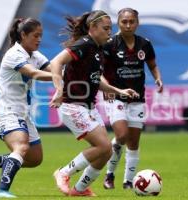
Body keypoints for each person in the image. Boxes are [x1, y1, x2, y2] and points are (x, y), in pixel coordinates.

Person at [49, 10, 139, 197]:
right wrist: (59, 89)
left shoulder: (98, 49)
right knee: (104, 147)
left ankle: (79, 189)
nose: (109, 32)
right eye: (106, 28)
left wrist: (118, 91)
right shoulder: (84, 44)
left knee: (106, 152)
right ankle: (63, 173)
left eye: (110, 28)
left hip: (88, 107)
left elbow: (97, 80)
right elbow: (56, 62)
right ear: (92, 28)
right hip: (73, 105)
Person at [0, 18, 53, 198]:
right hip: (7, 110)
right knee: (21, 147)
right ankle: (1, 190)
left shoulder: (35, 55)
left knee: (34, 159)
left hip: (22, 112)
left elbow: (52, 68)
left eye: (41, 36)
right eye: (35, 35)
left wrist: (69, 74)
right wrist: (59, 78)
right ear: (23, 35)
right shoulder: (14, 54)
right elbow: (33, 73)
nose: (39, 39)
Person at [102, 8, 163, 189]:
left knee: (134, 141)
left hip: (138, 98)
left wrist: (158, 78)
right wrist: (108, 88)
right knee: (121, 135)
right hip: (116, 97)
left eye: (131, 22)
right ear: (118, 23)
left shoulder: (144, 44)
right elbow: (99, 71)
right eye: (124, 22)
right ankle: (109, 175)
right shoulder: (110, 44)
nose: (128, 25)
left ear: (137, 23)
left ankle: (128, 181)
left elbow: (152, 65)